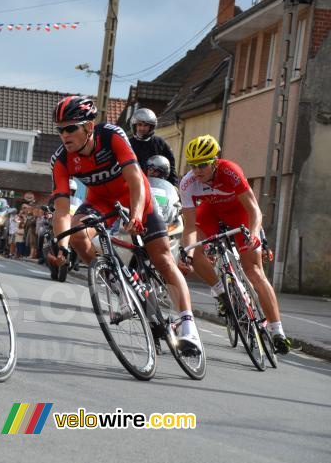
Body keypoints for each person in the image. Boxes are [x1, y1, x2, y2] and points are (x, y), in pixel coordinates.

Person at [49, 96, 203, 355]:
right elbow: (62, 210)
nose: (64, 134)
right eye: (60, 129)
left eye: (71, 127)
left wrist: (136, 214)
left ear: (89, 126)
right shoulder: (61, 160)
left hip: (136, 196)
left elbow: (134, 181)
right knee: (76, 232)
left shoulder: (112, 136)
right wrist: (61, 245)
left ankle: (189, 328)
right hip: (100, 202)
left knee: (163, 258)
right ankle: (118, 286)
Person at [177, 135, 291, 354]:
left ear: (215, 161)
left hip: (239, 213)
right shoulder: (188, 183)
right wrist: (187, 254)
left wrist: (255, 234)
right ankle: (221, 293)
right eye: (193, 165)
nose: (197, 170)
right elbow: (190, 227)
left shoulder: (230, 171)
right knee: (195, 250)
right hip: (210, 212)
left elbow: (254, 210)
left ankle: (278, 332)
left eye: (202, 165)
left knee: (254, 272)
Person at [128, 108, 178, 186]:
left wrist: (174, 186)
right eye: (139, 125)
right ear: (134, 126)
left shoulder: (160, 143)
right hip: (133, 185)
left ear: (151, 126)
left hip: (156, 186)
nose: (142, 128)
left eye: (146, 125)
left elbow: (170, 167)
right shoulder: (128, 144)